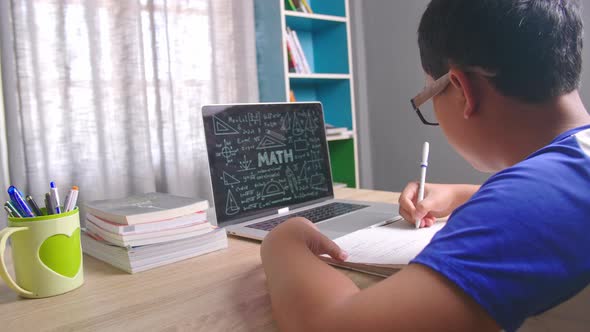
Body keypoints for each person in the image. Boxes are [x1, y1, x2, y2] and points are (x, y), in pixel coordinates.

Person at [260, 0, 590, 331]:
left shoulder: (525, 206)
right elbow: (556, 204)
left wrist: (282, 241)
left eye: (428, 92)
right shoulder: (573, 170)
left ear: (461, 89)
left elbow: (329, 325)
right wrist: (466, 194)